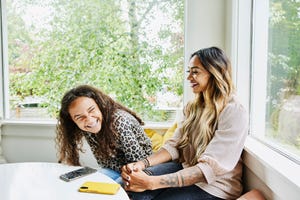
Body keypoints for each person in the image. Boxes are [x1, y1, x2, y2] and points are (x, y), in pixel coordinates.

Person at [121, 46, 248, 200]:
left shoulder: (234, 111)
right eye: (189, 72)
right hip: (186, 168)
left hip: (216, 187)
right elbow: (174, 145)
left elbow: (208, 169)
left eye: (195, 72)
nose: (189, 78)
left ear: (215, 73)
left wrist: (152, 182)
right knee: (127, 186)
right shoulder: (192, 107)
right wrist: (142, 164)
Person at [55, 85, 153, 183]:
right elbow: (103, 163)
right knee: (85, 183)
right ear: (72, 121)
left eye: (91, 110)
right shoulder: (88, 128)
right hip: (116, 169)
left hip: (142, 169)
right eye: (79, 117)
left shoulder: (120, 122)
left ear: (100, 106)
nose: (89, 120)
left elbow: (138, 162)